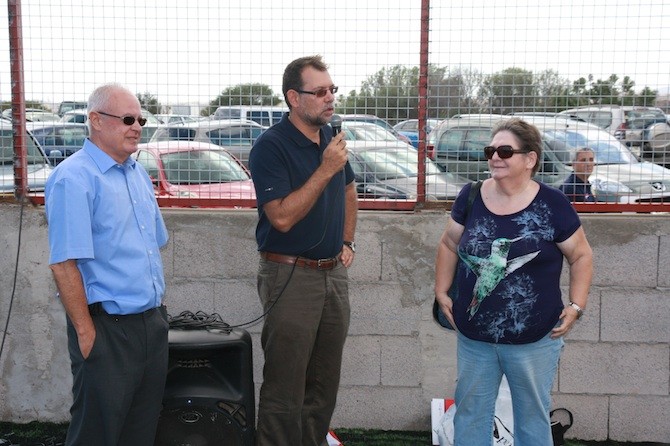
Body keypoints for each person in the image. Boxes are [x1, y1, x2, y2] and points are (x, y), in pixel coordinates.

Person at [434, 118, 593, 446]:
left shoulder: (552, 204)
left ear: (530, 159)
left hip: (534, 340)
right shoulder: (471, 196)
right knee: (470, 416)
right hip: (475, 338)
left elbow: (581, 255)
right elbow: (449, 244)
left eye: (505, 151)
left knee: (532, 420)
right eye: (490, 150)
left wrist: (576, 305)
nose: (495, 157)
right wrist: (441, 290)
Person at [45, 83, 169, 446]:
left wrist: (157, 320)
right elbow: (64, 264)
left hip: (150, 326)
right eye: (128, 119)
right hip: (107, 332)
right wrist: (87, 334)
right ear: (96, 120)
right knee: (96, 435)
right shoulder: (73, 178)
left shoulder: (137, 174)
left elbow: (152, 246)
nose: (137, 127)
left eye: (141, 120)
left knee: (140, 433)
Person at [248, 55, 358, 446]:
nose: (330, 98)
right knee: (286, 385)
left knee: (324, 383)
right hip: (290, 275)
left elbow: (349, 189)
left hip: (333, 275)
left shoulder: (330, 139)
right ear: (294, 98)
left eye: (332, 90)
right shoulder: (271, 146)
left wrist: (347, 241)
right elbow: (280, 217)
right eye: (320, 91)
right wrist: (325, 168)